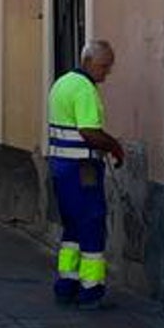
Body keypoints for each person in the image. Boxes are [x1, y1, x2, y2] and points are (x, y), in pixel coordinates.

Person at [46, 40, 125, 310]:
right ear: (89, 62)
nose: (107, 73)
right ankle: (91, 289)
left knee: (72, 228)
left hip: (61, 166)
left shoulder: (62, 83)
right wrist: (114, 147)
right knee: (91, 223)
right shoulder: (84, 89)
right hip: (83, 169)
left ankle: (66, 283)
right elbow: (89, 131)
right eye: (104, 66)